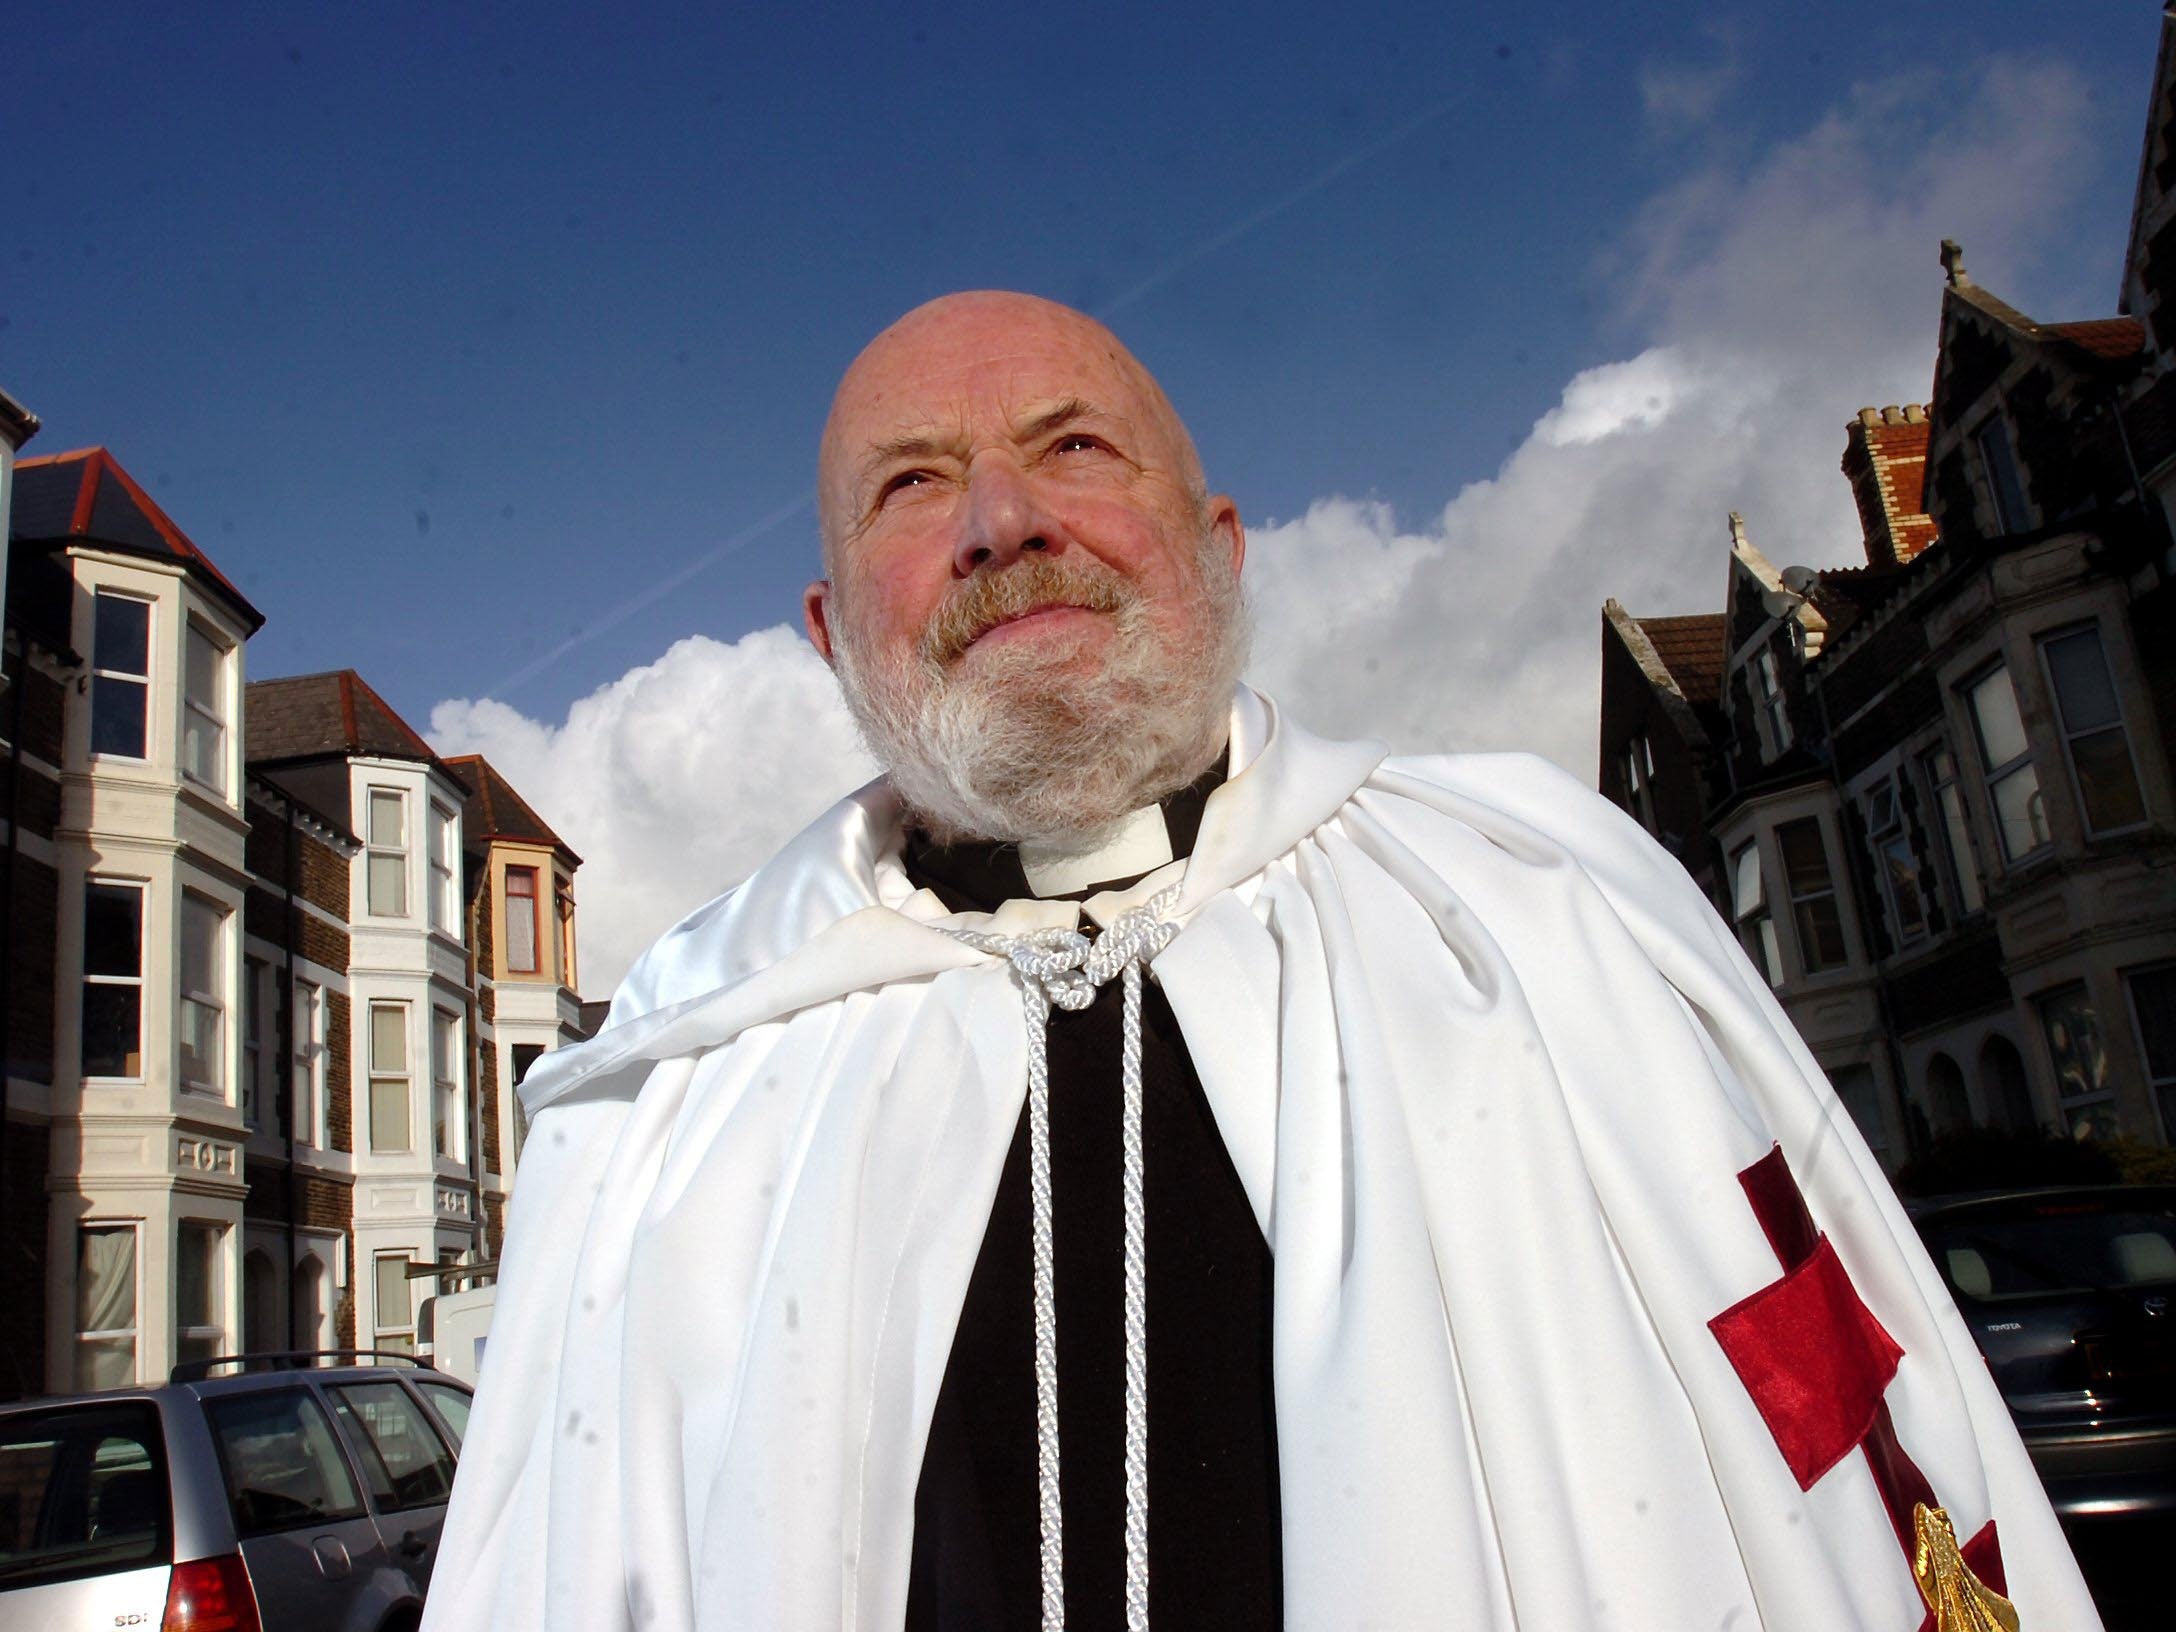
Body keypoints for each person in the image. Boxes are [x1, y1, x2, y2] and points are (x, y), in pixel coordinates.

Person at [423, 292, 2097, 1631]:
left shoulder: (1535, 913)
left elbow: (1836, 1457)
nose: (1004, 521)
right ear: (828, 626)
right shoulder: (675, 1088)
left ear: (1220, 540)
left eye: (1073, 447)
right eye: (912, 484)